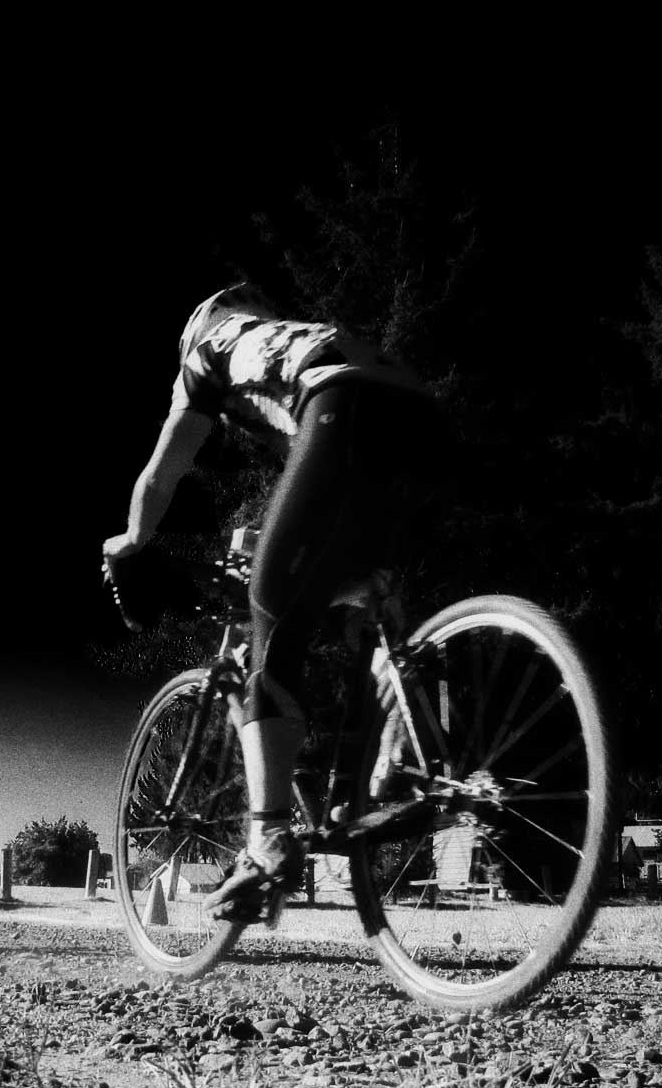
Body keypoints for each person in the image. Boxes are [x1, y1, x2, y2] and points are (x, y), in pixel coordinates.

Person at [103, 284, 443, 927]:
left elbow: (163, 473)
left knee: (271, 616)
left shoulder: (209, 352)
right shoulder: (291, 343)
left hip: (342, 404)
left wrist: (131, 540)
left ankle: (267, 839)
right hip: (421, 423)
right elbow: (317, 499)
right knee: (358, 597)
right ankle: (399, 751)